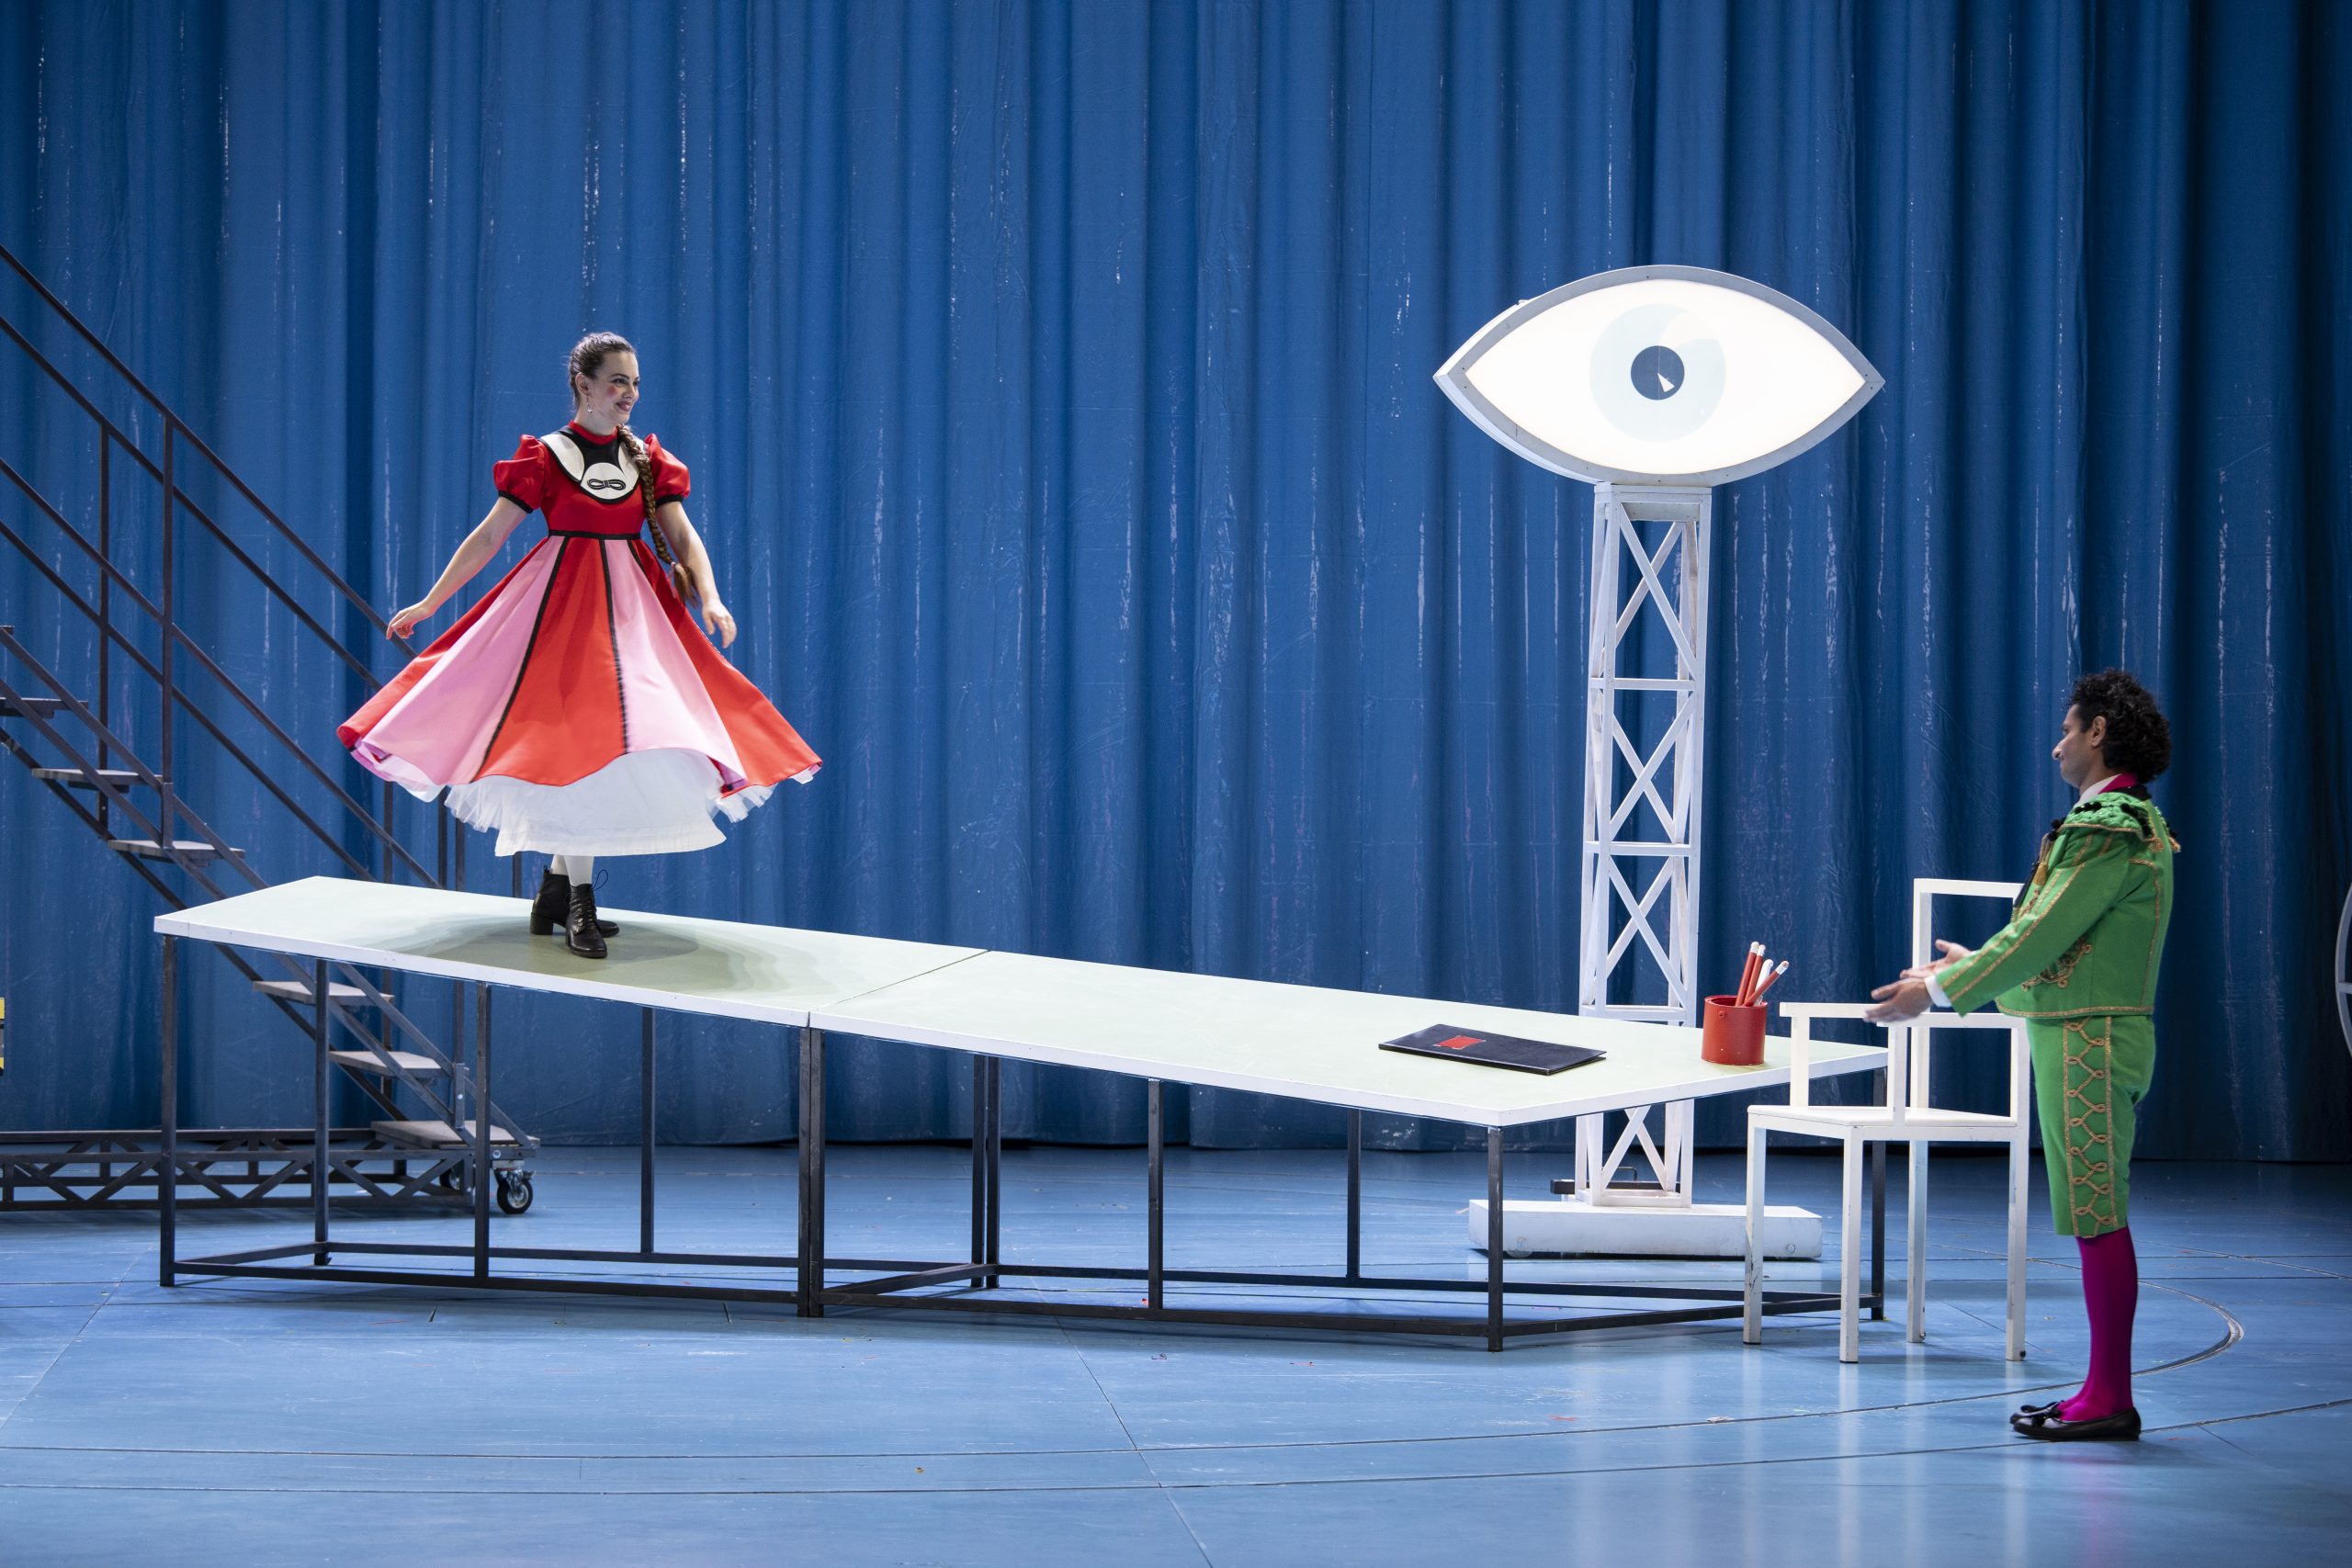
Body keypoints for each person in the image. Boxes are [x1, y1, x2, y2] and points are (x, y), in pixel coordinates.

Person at [339, 332, 820, 958]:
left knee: (624, 740)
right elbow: (489, 537)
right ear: (583, 384)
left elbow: (683, 536)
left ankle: (557, 890)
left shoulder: (647, 460)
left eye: (635, 382)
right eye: (618, 381)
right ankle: (577, 904)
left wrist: (711, 597)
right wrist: (431, 602)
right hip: (561, 615)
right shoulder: (545, 457)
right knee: (581, 742)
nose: (629, 393)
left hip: (636, 618)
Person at [1865, 668, 2176, 1442]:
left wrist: (1937, 992)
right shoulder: (2126, 823)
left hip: (2090, 1043)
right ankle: (2102, 1389)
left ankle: (2110, 1396)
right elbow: (2065, 946)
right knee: (2094, 1214)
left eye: (2068, 729)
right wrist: (1967, 966)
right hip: (2085, 1034)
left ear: (2099, 731)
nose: (2056, 745)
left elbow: (2039, 936)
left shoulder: (2108, 825)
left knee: (2098, 1215)